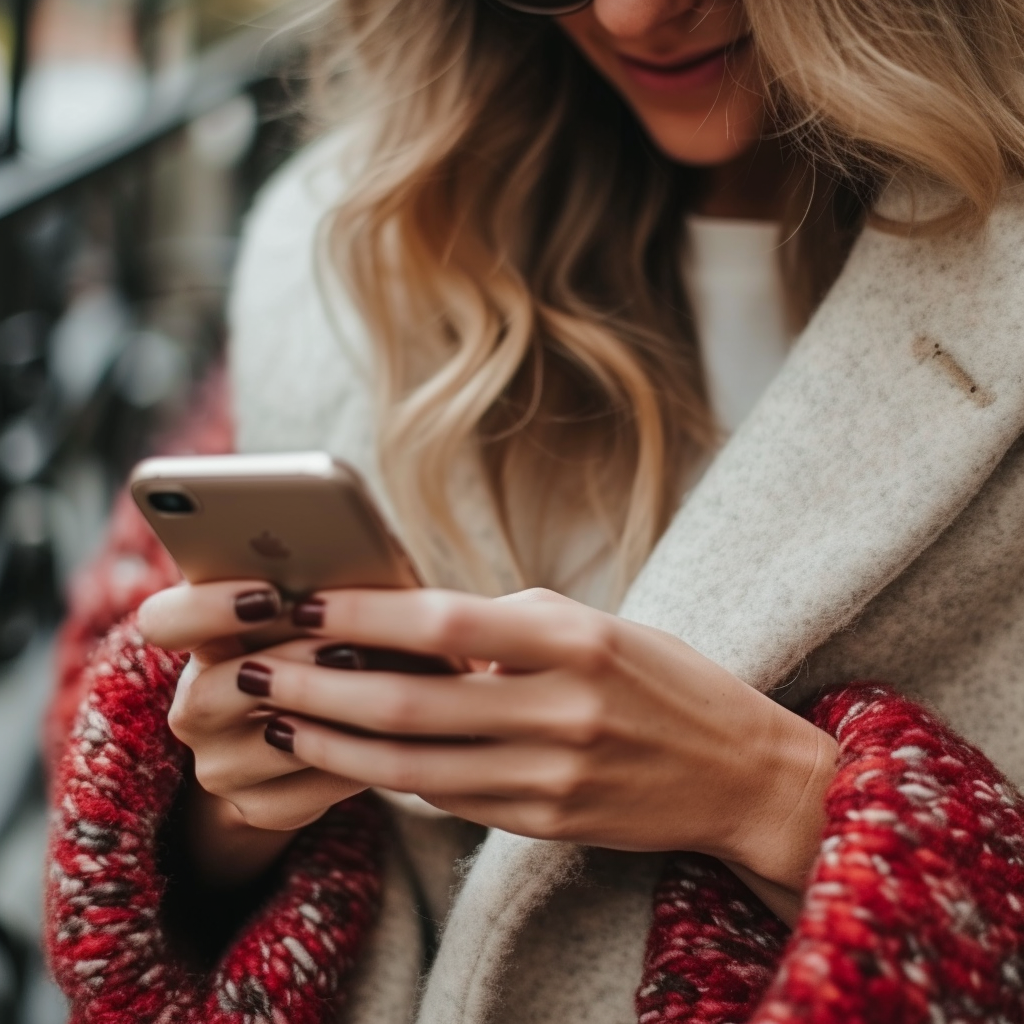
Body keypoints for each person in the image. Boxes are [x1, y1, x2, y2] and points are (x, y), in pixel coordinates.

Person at [43, 1, 1024, 1022]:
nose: (632, 14)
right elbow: (115, 739)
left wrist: (768, 794)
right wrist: (226, 819)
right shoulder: (337, 253)